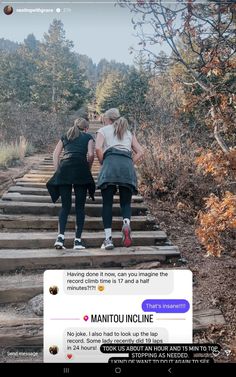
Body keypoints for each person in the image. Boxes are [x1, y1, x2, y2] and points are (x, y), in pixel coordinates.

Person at [95, 108, 144, 250]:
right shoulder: (128, 132)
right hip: (126, 166)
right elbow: (141, 151)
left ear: (107, 119)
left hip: (110, 164)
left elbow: (98, 148)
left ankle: (108, 240)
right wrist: (130, 162)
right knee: (125, 203)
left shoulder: (103, 130)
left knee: (107, 204)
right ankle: (126, 223)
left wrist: (103, 161)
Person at [46, 118, 95, 250]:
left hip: (65, 169)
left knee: (65, 207)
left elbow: (55, 154)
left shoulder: (66, 136)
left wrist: (58, 171)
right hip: (81, 170)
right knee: (80, 208)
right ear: (86, 128)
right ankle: (77, 241)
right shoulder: (88, 137)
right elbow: (91, 155)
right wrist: (88, 168)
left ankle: (60, 238)